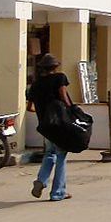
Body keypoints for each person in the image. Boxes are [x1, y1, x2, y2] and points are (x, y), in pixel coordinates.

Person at [27, 54, 73, 201]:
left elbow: (30, 107)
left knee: (49, 153)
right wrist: (71, 111)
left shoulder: (36, 84)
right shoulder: (60, 78)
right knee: (61, 155)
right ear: (55, 67)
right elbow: (64, 97)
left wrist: (43, 113)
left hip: (45, 125)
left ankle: (41, 181)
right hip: (59, 124)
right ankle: (58, 192)